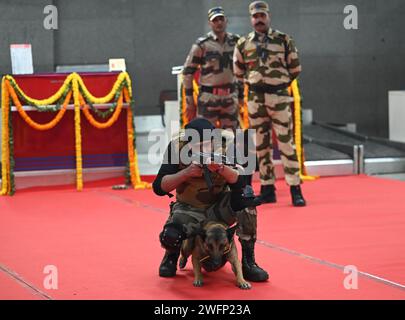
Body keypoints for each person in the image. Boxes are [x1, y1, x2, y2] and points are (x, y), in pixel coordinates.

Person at [153, 118, 269, 282]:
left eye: (208, 143)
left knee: (246, 202)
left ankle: (248, 262)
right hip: (189, 207)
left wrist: (222, 168)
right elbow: (159, 187)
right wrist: (186, 172)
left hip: (219, 207)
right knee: (171, 235)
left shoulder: (227, 143)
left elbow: (242, 182)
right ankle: (171, 256)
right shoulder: (177, 147)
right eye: (199, 146)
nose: (205, 149)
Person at [233, 1, 306, 207]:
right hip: (256, 99)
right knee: (261, 146)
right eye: (255, 17)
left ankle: (295, 189)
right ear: (251, 19)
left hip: (279, 97)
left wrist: (279, 84)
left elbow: (295, 68)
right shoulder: (243, 43)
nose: (259, 20)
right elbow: (238, 71)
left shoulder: (283, 40)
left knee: (286, 143)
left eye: (262, 16)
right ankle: (267, 189)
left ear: (268, 16)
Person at [182, 6, 243, 131]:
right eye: (215, 20)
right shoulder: (202, 45)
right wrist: (189, 99)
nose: (219, 23)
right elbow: (188, 72)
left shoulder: (237, 42)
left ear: (226, 21)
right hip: (208, 99)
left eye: (221, 19)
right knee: (206, 137)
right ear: (210, 23)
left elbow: (242, 70)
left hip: (230, 97)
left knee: (232, 139)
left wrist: (241, 95)